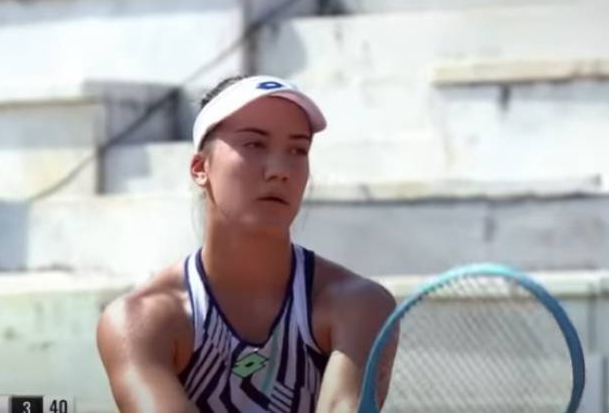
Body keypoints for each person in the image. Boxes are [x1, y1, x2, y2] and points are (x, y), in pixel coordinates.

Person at [96, 75, 397, 413]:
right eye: (254, 144)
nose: (280, 170)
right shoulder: (140, 320)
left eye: (297, 149)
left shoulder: (360, 305)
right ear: (200, 168)